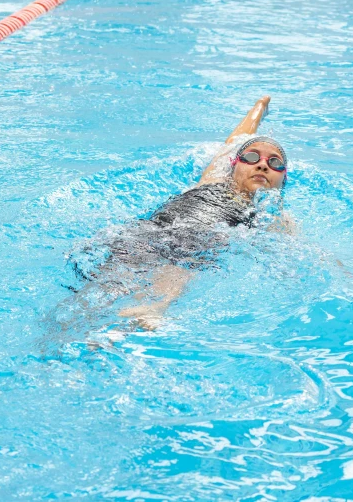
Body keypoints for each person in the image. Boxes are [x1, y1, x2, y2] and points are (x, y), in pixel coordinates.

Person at [50, 95, 290, 343]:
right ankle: (63, 340)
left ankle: (143, 314)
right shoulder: (213, 180)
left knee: (178, 267)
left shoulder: (276, 217)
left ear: (283, 179)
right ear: (233, 164)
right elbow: (235, 140)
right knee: (100, 291)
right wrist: (259, 109)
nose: (262, 165)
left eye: (275, 162)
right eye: (251, 157)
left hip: (195, 245)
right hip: (145, 234)